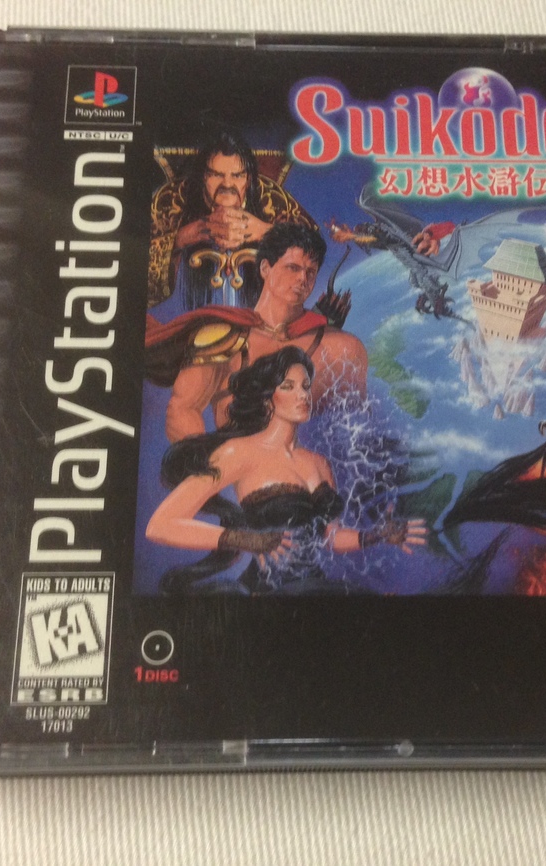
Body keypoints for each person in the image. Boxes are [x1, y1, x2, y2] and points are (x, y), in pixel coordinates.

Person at [146, 347, 426, 592]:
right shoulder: (238, 452)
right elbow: (161, 524)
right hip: (267, 589)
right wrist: (245, 539)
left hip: (313, 585)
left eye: (305, 386)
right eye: (288, 386)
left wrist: (375, 535)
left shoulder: (318, 463)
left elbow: (329, 537)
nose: (302, 395)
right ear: (268, 398)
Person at [146, 223, 368, 442]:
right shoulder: (222, 337)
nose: (303, 278)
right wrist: (213, 464)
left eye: (310, 271)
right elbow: (182, 410)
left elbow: (358, 430)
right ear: (265, 268)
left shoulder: (343, 348)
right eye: (293, 268)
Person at [148, 129, 316, 310]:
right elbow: (138, 275)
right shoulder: (172, 200)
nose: (227, 184)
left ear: (248, 179)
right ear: (204, 177)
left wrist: (268, 232)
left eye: (237, 176)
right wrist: (180, 239)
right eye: (216, 175)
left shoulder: (271, 199)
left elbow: (314, 251)